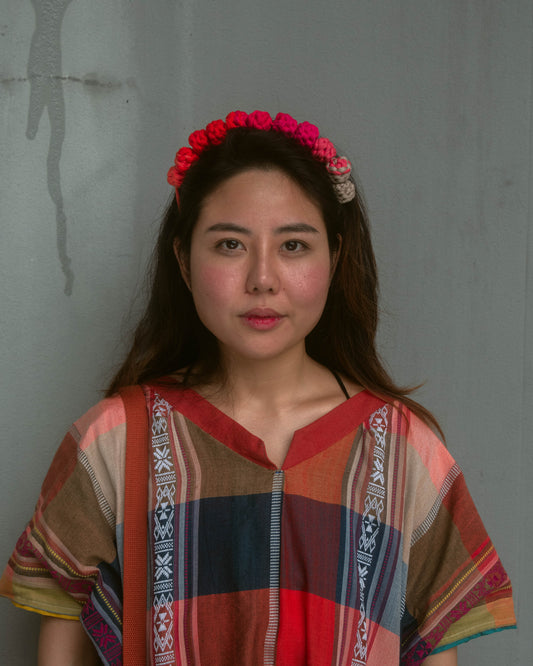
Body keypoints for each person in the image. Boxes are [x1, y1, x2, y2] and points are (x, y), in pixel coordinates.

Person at [0, 110, 516, 665]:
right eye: (230, 245)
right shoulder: (114, 440)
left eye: (293, 246)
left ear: (335, 256)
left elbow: (436, 647)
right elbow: (59, 642)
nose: (263, 279)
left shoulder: (404, 449)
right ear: (183, 259)